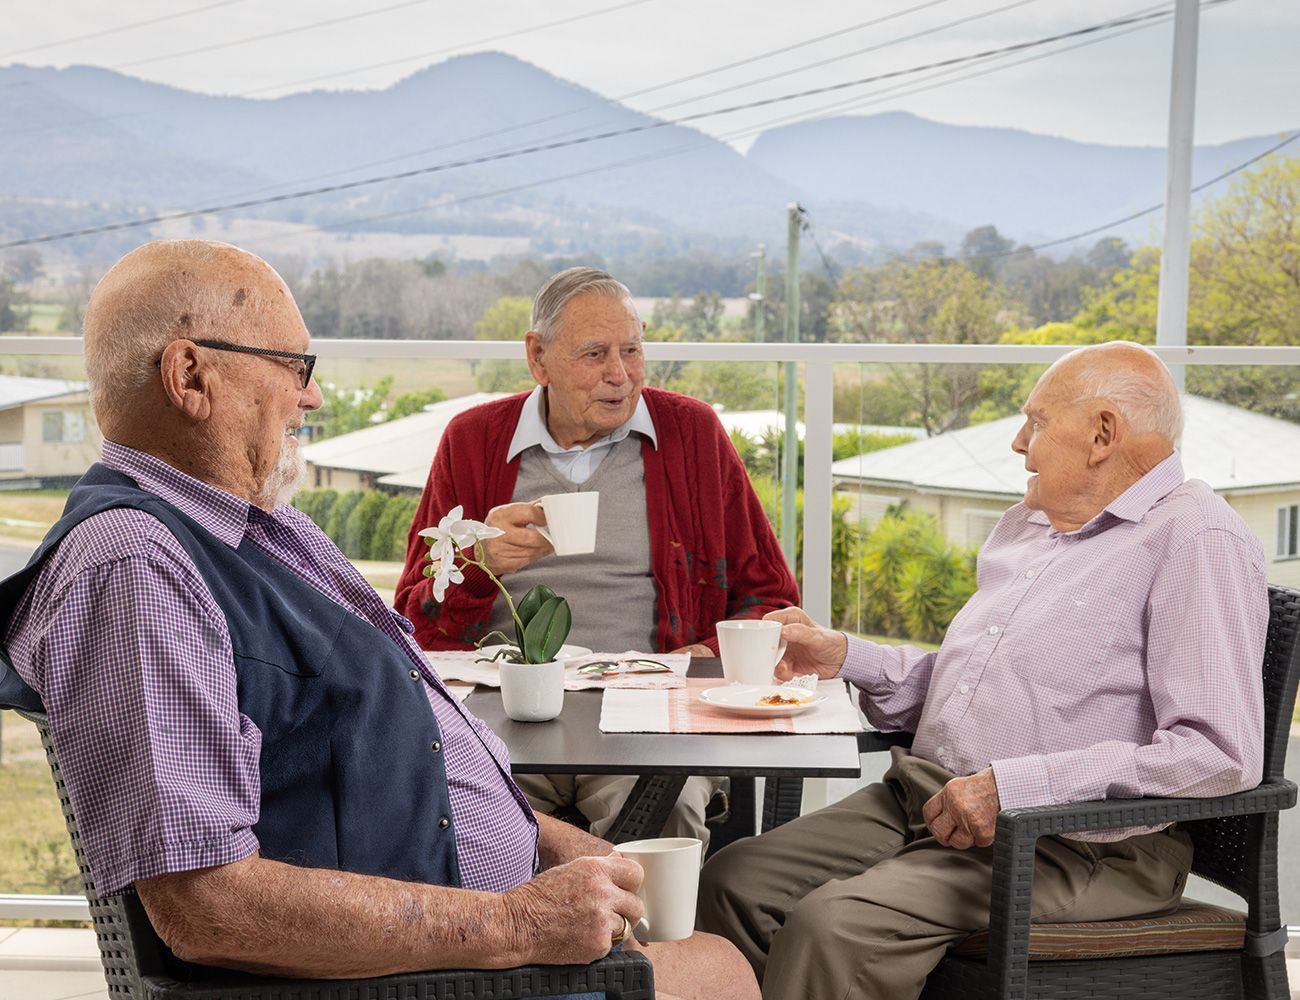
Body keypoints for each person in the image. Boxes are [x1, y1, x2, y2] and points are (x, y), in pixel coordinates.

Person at [0, 241, 758, 1000]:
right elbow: (206, 907)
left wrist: (562, 850)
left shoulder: (261, 527)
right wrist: (518, 924)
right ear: (191, 377)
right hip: (434, 975)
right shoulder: (135, 566)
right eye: (294, 366)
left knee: (712, 953)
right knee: (723, 974)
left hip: (466, 931)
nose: (312, 397)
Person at [696, 341, 1268, 1000]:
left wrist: (1012, 788)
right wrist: (847, 656)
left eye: (1038, 422)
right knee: (735, 880)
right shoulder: (1033, 526)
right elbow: (977, 687)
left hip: (1076, 843)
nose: (1020, 443)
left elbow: (1217, 754)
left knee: (835, 927)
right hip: (929, 796)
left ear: (1103, 434)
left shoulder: (1196, 539)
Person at [393, 266, 799, 844]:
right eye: (594, 354)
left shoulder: (693, 435)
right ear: (538, 358)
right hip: (504, 714)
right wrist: (479, 566)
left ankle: (643, 911)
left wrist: (705, 654)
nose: (620, 374)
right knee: (448, 818)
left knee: (666, 816)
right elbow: (410, 624)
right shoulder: (473, 441)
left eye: (631, 350)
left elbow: (772, 600)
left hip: (645, 712)